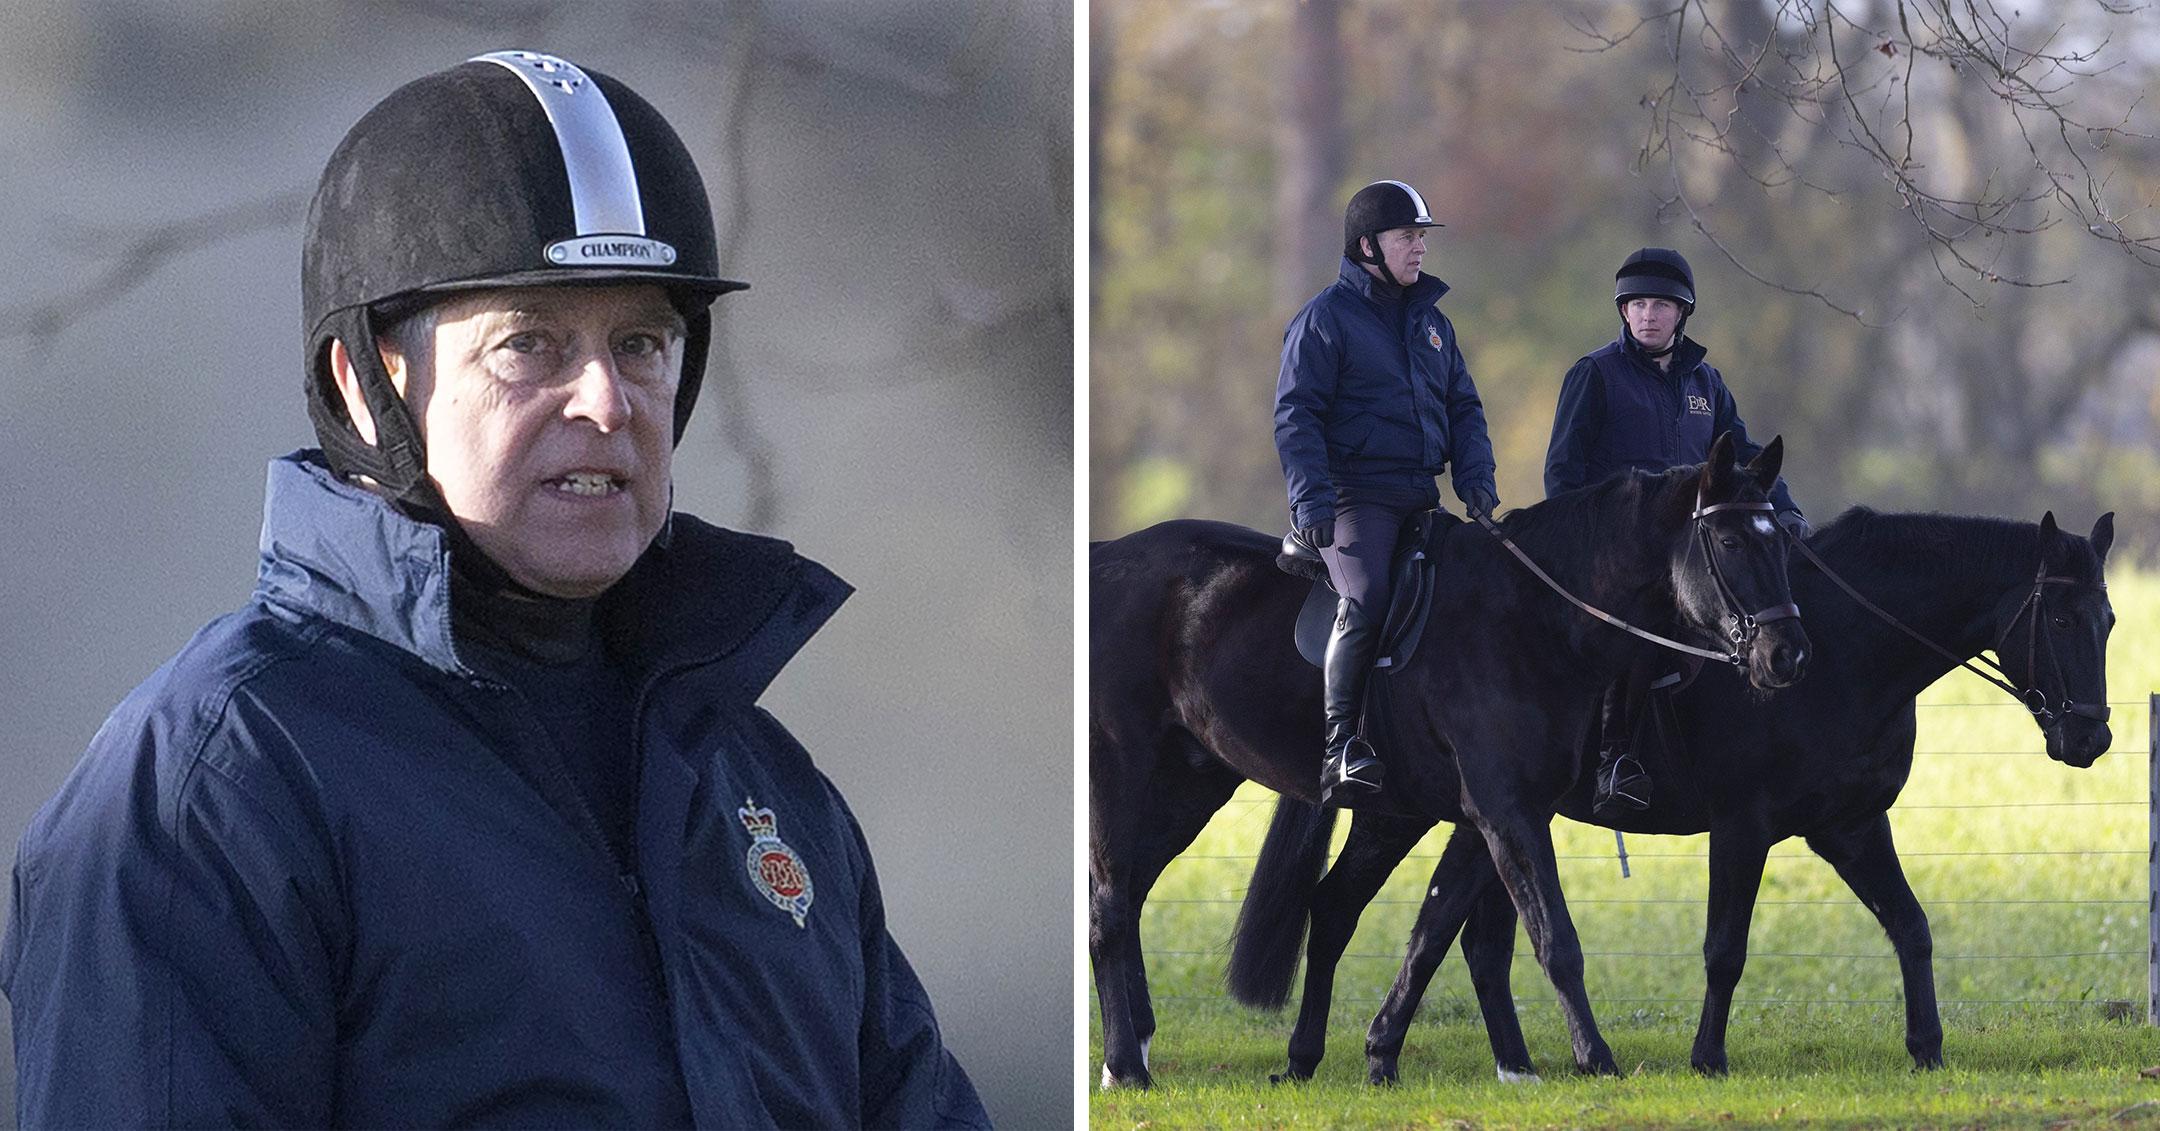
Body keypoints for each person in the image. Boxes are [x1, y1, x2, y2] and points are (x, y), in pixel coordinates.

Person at [0, 51, 987, 1128]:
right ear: (365, 385)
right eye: (531, 344)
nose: (608, 403)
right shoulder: (213, 787)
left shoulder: (761, 785)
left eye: (642, 342)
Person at [1544, 246, 1807, 815]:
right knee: (1640, 629)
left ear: (1683, 313)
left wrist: (1783, 509)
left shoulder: (1706, 383)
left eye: (1660, 305)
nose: (1646, 315)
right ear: (1622, 311)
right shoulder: (1595, 375)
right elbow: (1563, 472)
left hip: (1689, 557)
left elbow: (1748, 459)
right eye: (1635, 304)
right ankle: (1616, 759)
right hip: (1616, 560)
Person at [1273, 179, 1500, 807]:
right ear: (1368, 246)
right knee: (1368, 595)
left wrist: (1476, 477)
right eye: (1409, 237)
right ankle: (1340, 744)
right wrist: (1312, 501)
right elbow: (1298, 416)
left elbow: (1464, 406)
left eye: (1422, 237)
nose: (1420, 248)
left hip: (1420, 494)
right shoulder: (1324, 320)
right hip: (1354, 497)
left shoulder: (1434, 326)